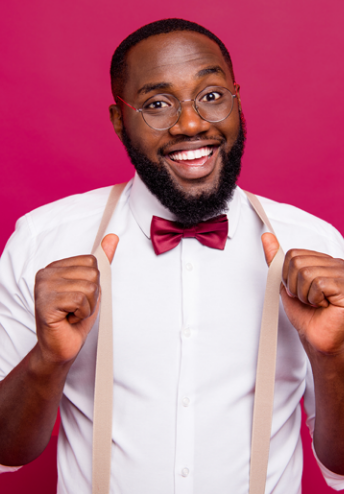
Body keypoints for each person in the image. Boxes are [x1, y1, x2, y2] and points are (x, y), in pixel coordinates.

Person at [1, 17, 344, 494]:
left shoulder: (319, 246)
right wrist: (47, 359)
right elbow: (5, 452)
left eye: (211, 96)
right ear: (119, 120)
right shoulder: (45, 240)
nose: (190, 123)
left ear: (237, 101)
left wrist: (333, 357)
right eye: (157, 104)